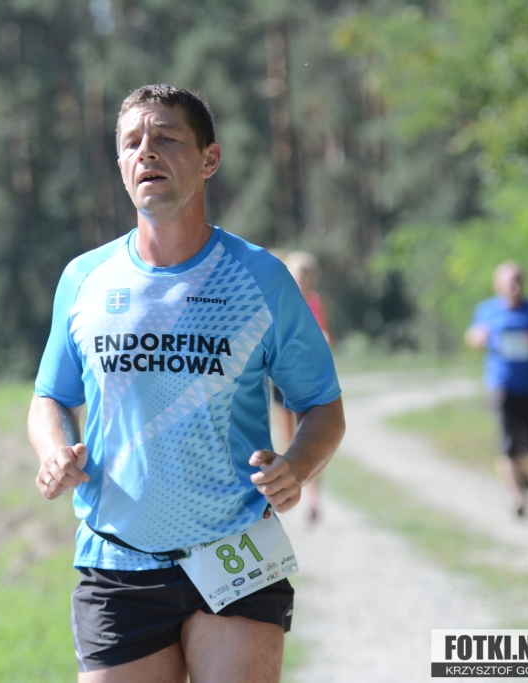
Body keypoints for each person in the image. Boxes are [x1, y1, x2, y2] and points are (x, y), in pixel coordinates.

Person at [28, 84, 345, 683]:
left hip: (235, 551)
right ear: (121, 165)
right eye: (132, 143)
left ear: (209, 159)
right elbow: (50, 396)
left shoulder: (260, 278)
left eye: (167, 138)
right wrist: (53, 451)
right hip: (117, 561)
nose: (147, 152)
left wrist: (297, 467)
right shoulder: (85, 279)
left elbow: (322, 405)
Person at [465, 261, 528, 518]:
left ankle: (522, 474)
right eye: (509, 280)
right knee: (508, 442)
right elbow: (472, 337)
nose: (514, 285)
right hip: (502, 386)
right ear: (497, 284)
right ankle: (516, 498)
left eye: (518, 280)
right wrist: (479, 338)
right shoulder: (487, 310)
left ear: (524, 283)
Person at [270, 251, 331, 524]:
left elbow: (323, 332)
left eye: (306, 274)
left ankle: (313, 498)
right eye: (297, 273)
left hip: (308, 378)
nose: (302, 279)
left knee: (312, 439)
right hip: (282, 379)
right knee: (288, 440)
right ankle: (291, 492)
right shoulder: (280, 300)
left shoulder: (315, 302)